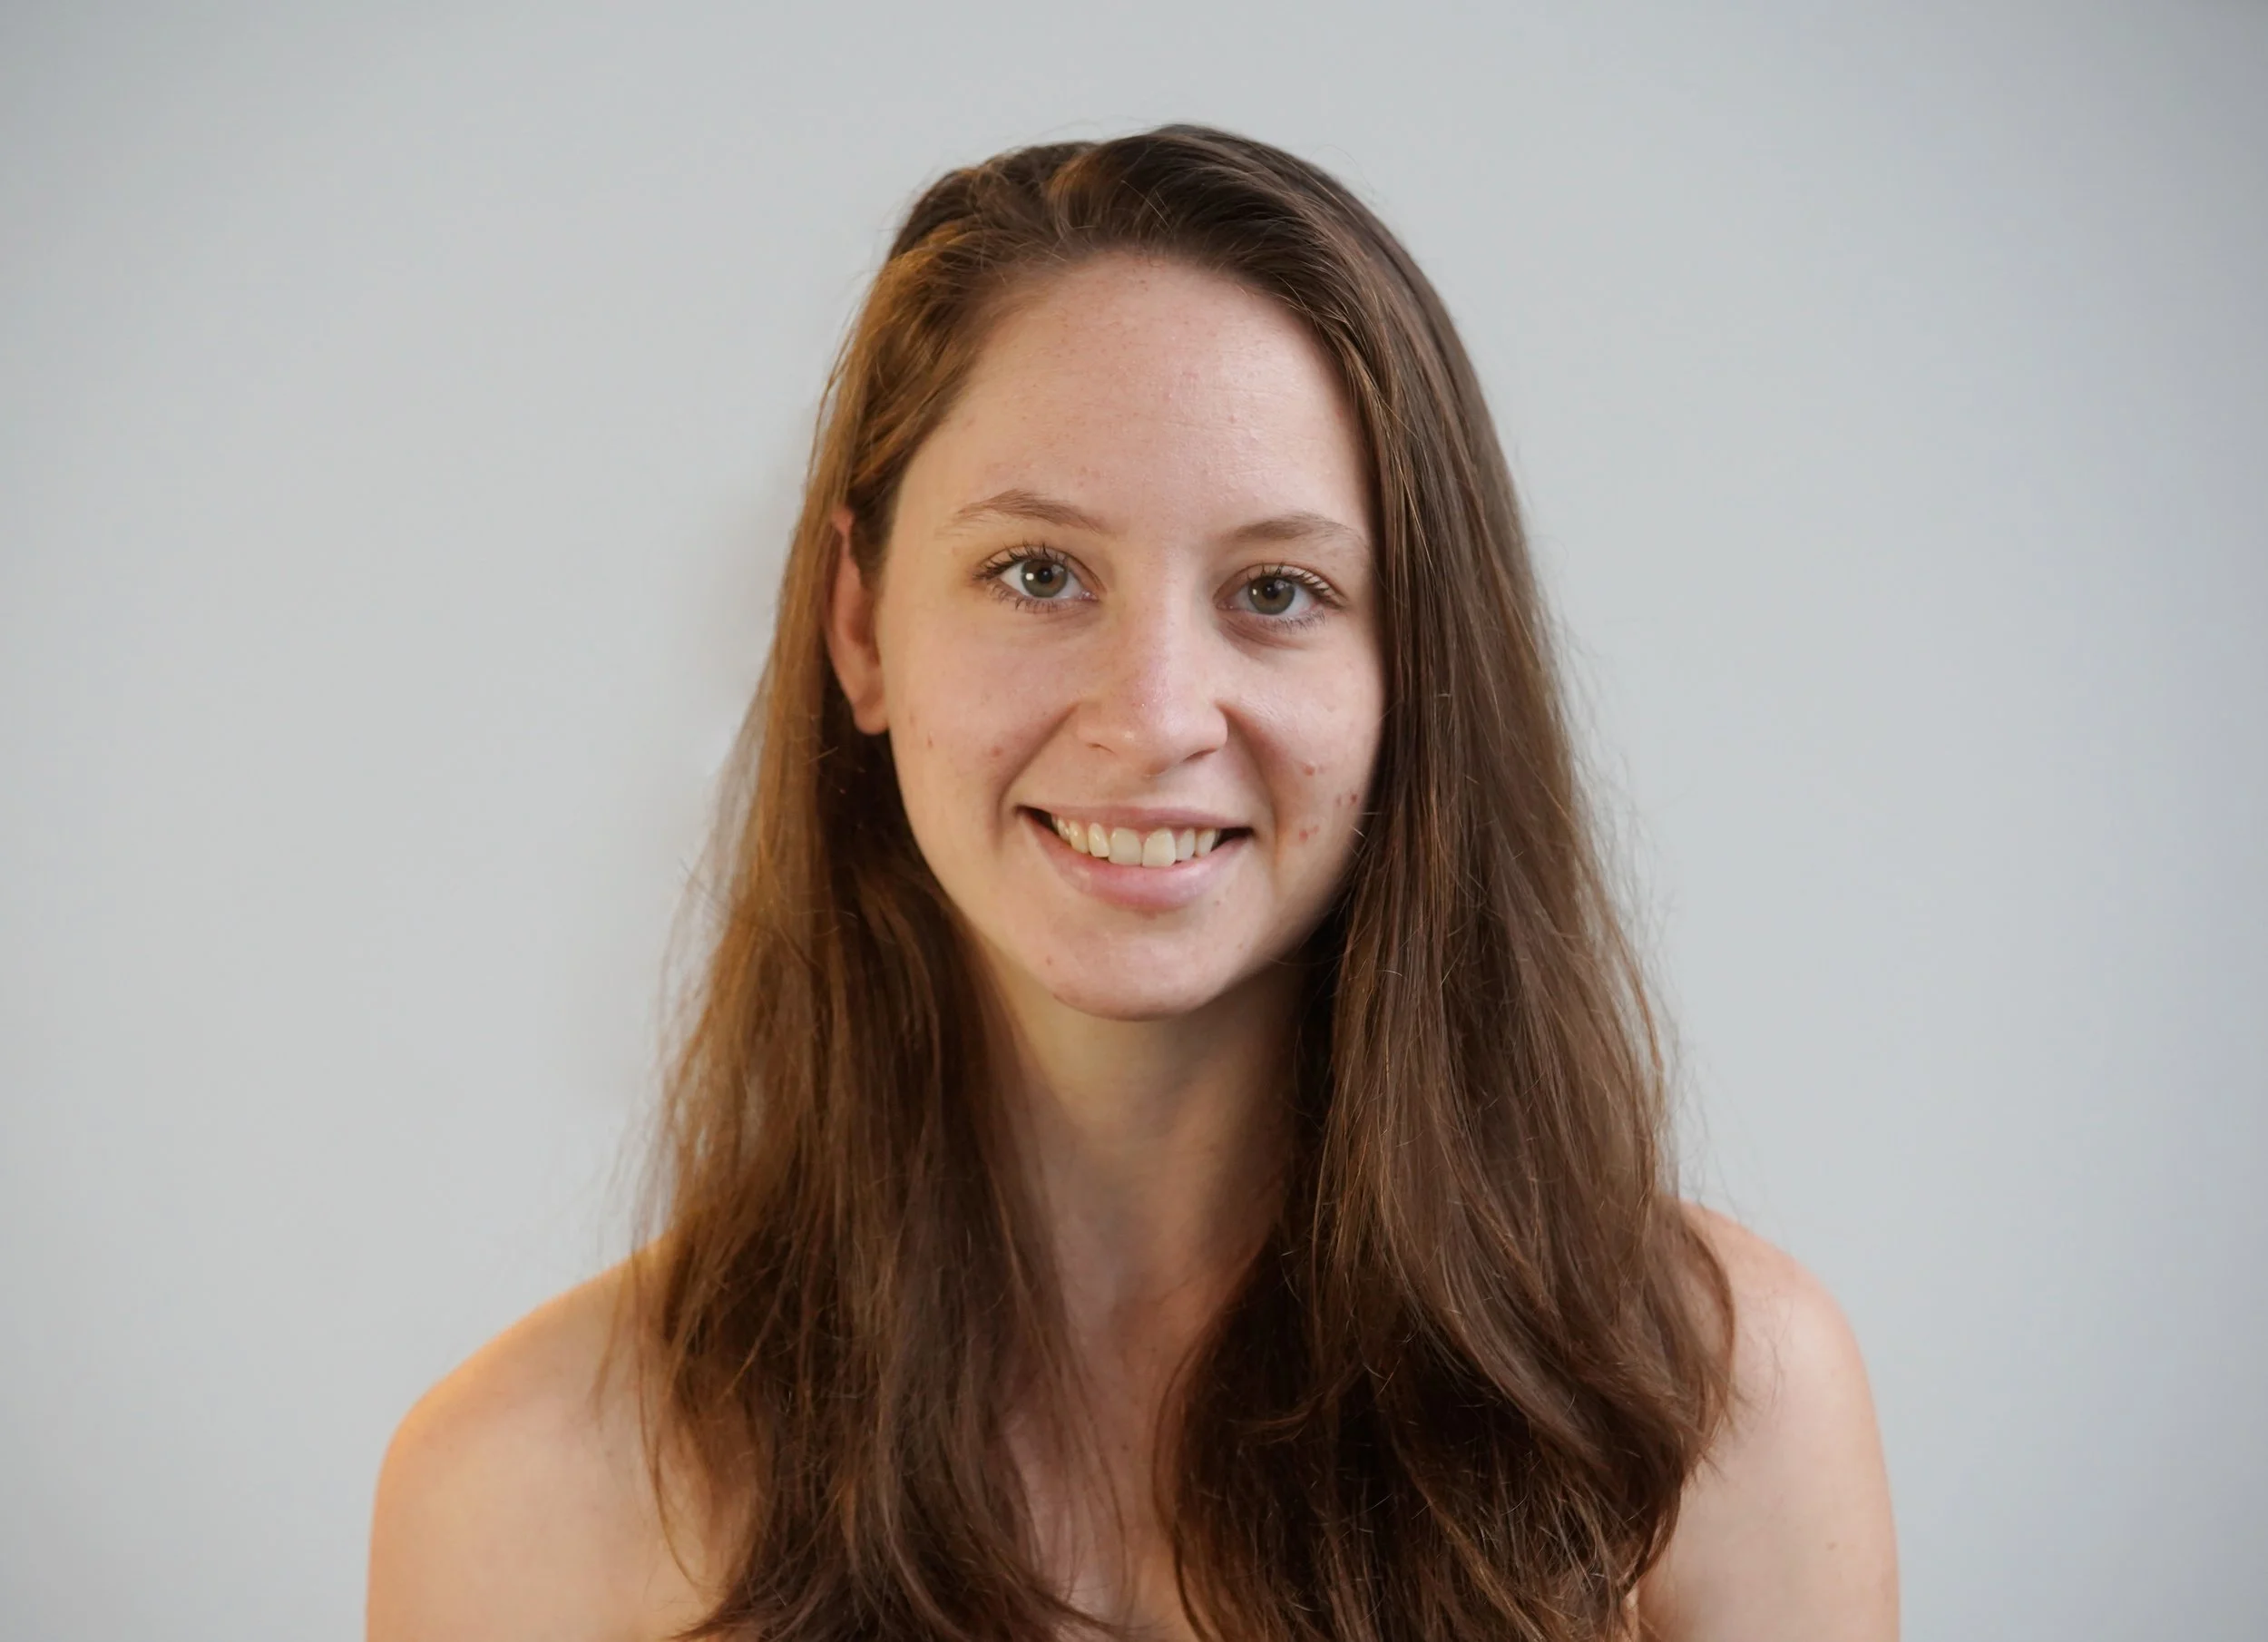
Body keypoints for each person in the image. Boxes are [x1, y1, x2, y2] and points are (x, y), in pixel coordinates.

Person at [367, 125, 1897, 1642]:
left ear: (1417, 667)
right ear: (862, 625)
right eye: (1038, 572)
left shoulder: (1725, 1412)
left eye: (1277, 590)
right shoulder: (515, 1493)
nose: (1156, 716)